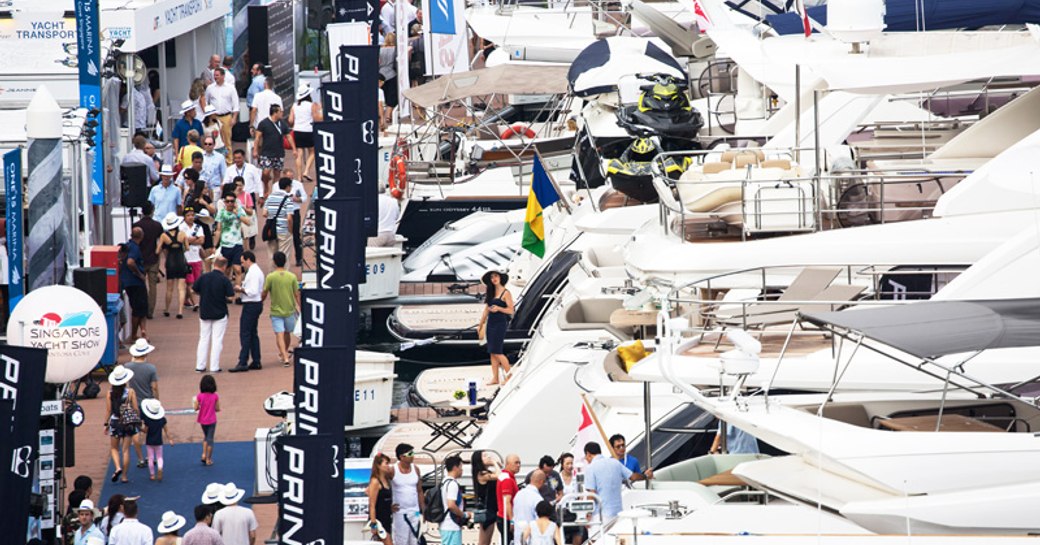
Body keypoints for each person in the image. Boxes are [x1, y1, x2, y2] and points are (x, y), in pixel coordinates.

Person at [582, 441, 651, 521]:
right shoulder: (615, 463)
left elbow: (591, 494)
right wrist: (646, 476)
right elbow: (633, 477)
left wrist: (588, 513)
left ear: (588, 454)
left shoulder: (591, 468)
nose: (586, 459)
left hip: (601, 515)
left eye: (585, 456)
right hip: (618, 512)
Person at [193, 256, 235, 372]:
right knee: (217, 340)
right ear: (224, 266)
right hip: (220, 312)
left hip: (205, 311)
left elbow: (194, 289)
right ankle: (214, 366)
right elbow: (231, 296)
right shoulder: (224, 279)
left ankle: (200, 365)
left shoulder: (204, 277)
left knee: (203, 338)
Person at [124, 339, 160, 469]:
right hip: (148, 403)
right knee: (152, 430)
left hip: (133, 403)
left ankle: (140, 458)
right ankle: (152, 455)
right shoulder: (151, 368)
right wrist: (157, 401)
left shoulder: (127, 367)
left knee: (135, 431)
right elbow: (154, 387)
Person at [262, 251, 299, 367]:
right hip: (289, 309)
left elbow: (265, 292)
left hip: (276, 310)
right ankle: (285, 353)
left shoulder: (270, 277)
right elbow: (297, 294)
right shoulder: (292, 277)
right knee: (287, 333)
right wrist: (300, 308)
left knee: (279, 334)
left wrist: (261, 301)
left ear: (274, 262)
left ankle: (284, 355)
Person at [479, 270, 514, 385]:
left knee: (498, 351)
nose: (494, 279)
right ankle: (495, 378)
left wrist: (499, 309)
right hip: (490, 323)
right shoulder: (491, 292)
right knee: (492, 351)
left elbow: (511, 310)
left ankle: (509, 375)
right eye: (492, 277)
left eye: (496, 276)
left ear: (500, 278)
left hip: (500, 324)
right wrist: (480, 324)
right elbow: (486, 310)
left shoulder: (506, 293)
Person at [105, 365, 139, 484]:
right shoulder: (130, 392)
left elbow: (109, 410)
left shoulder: (109, 393)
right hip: (127, 422)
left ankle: (117, 467)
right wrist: (138, 420)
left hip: (115, 421)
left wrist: (106, 423)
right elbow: (135, 408)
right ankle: (124, 476)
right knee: (125, 450)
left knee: (114, 448)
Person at [231, 251, 264, 373]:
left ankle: (243, 361)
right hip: (254, 304)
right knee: (252, 333)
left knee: (245, 332)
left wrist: (241, 289)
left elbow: (253, 291)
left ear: (248, 259)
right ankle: (256, 360)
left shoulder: (254, 272)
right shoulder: (255, 271)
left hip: (251, 304)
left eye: (243, 261)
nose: (242, 264)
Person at [213, 190, 252, 288]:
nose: (230, 203)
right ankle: (227, 293)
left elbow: (248, 222)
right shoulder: (221, 213)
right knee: (226, 270)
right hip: (225, 244)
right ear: (224, 202)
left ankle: (238, 292)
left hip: (237, 243)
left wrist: (237, 213)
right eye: (228, 201)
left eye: (232, 201)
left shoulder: (239, 211)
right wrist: (215, 245)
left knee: (238, 269)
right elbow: (218, 229)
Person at [254, 104, 293, 197]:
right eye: (280, 111)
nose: (282, 113)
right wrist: (255, 150)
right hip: (267, 152)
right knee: (266, 172)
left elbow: (288, 136)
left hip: (279, 152)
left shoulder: (282, 123)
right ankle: (266, 186)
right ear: (275, 112)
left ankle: (275, 191)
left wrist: (294, 149)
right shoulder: (263, 123)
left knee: (277, 173)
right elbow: (257, 137)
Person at [134, 202, 165, 319]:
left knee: (141, 285)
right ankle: (150, 311)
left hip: (140, 259)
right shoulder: (157, 225)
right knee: (153, 286)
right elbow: (162, 241)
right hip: (153, 258)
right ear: (152, 211)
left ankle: (142, 308)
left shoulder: (136, 225)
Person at [391, 443, 425, 545]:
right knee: (401, 541)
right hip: (400, 512)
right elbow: (384, 489)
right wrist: (388, 506)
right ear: (401, 457)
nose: (413, 456)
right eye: (410, 453)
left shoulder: (416, 469)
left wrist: (423, 509)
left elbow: (419, 490)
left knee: (415, 540)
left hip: (414, 511)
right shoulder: (392, 470)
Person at [158, 213, 190, 318]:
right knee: (181, 287)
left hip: (170, 262)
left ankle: (167, 309)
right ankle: (180, 311)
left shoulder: (164, 236)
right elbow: (187, 248)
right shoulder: (182, 234)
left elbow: (157, 250)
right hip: (180, 261)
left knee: (169, 288)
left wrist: (164, 249)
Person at [288, 83, 322, 181]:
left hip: (297, 130)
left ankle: (299, 177)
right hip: (309, 130)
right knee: (312, 151)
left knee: (299, 153)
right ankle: (306, 171)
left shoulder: (294, 106)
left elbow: (290, 120)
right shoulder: (312, 105)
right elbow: (317, 118)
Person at [205, 67, 239, 164]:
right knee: (214, 139)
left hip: (226, 117)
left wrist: (234, 118)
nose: (215, 77)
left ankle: (229, 161)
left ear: (223, 76)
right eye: (214, 75)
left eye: (217, 75)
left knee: (226, 140)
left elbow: (235, 104)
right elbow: (206, 102)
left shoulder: (230, 88)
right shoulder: (210, 88)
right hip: (214, 117)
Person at [120, 227, 148, 339]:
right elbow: (130, 262)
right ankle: (134, 334)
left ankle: (143, 330)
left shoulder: (128, 246)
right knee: (138, 309)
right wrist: (139, 274)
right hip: (135, 282)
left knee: (141, 308)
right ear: (141, 236)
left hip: (128, 281)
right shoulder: (135, 248)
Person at [471, 450, 500, 545]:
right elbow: (499, 475)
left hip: (491, 508)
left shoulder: (486, 472)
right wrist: (494, 463)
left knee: (488, 540)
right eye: (484, 456)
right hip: (487, 510)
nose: (488, 457)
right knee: (484, 541)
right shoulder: (481, 474)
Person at [141, 398, 173, 481]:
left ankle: (152, 474)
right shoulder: (162, 419)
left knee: (150, 458)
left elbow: (145, 431)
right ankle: (160, 468)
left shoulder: (148, 420)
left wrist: (140, 428)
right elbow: (166, 430)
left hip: (149, 441)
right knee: (159, 457)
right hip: (159, 441)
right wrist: (170, 439)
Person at [439, 454, 469, 545]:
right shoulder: (452, 484)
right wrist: (464, 515)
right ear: (455, 468)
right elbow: (451, 505)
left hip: (446, 525)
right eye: (461, 467)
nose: (462, 470)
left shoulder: (444, 482)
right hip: (451, 526)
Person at [557, 453, 585, 545]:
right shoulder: (556, 478)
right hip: (561, 511)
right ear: (562, 464)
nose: (570, 466)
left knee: (578, 533)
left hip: (575, 511)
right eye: (567, 464)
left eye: (571, 463)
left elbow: (581, 494)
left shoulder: (577, 477)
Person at [181, 208, 206, 310]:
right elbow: (182, 241)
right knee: (190, 281)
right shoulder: (181, 227)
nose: (191, 217)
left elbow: (201, 241)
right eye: (188, 215)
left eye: (192, 215)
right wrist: (194, 239)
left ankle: (186, 299)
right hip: (186, 258)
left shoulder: (198, 227)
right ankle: (195, 302)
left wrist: (189, 241)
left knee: (196, 281)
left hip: (197, 257)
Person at [263, 177, 295, 256]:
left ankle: (272, 269)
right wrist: (291, 231)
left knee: (272, 255)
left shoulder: (270, 197)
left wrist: (272, 215)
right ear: (287, 187)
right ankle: (283, 268)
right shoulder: (288, 199)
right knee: (284, 255)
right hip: (283, 230)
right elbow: (289, 218)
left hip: (271, 230)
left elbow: (264, 213)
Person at [367, 453, 394, 545]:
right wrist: (373, 523)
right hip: (379, 519)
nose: (388, 466)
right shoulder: (375, 481)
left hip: (387, 517)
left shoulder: (387, 480)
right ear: (378, 465)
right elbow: (372, 504)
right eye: (386, 463)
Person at [283, 168, 307, 266]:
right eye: (288, 177)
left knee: (296, 235)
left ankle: (299, 258)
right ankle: (283, 259)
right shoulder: (276, 185)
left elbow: (304, 197)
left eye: (291, 178)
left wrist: (297, 199)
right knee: (283, 236)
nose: (290, 180)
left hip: (294, 211)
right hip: (283, 212)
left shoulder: (298, 184)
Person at [194, 374, 220, 465]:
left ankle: (203, 454)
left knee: (205, 437)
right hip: (212, 420)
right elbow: (217, 408)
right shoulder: (215, 396)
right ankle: (208, 459)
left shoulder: (199, 396)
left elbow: (196, 407)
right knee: (210, 440)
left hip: (202, 419)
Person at [513, 470, 544, 544]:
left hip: (518, 535)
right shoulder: (538, 498)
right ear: (541, 482)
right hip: (531, 538)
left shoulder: (518, 494)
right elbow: (539, 521)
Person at [497, 453, 521, 545]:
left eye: (519, 463)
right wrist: (512, 521)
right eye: (516, 463)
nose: (518, 465)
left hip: (503, 517)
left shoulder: (507, 476)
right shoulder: (507, 479)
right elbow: (507, 502)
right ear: (508, 464)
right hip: (506, 518)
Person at [379, 33, 399, 125]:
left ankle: (381, 117)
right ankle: (388, 116)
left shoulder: (380, 49)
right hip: (391, 74)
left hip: (381, 74)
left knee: (382, 97)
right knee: (391, 97)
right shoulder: (395, 50)